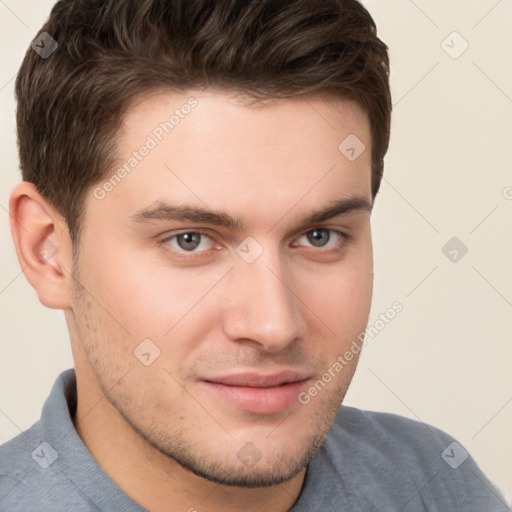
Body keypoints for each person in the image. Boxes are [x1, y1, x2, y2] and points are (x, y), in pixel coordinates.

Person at [1, 0, 509, 510]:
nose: (274, 325)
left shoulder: (436, 484)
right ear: (48, 250)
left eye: (319, 236)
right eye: (190, 240)